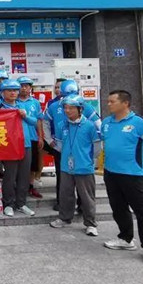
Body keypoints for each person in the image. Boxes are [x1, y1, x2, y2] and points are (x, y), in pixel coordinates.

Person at [101, 90, 143, 266]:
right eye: (108, 101)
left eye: (112, 101)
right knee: (118, 208)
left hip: (134, 175)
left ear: (125, 103)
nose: (108, 104)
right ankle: (126, 239)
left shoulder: (140, 123)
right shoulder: (106, 123)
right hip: (111, 173)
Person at [44, 79, 101, 211]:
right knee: (62, 177)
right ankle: (62, 204)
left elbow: (98, 124)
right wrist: (49, 140)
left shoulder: (84, 106)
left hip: (81, 149)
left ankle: (82, 205)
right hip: (61, 148)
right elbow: (45, 122)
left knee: (82, 178)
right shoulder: (53, 107)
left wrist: (94, 150)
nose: (68, 109)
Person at [49, 95, 100, 236]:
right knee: (65, 194)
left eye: (71, 108)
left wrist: (87, 159)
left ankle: (90, 223)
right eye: (65, 108)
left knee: (87, 197)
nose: (67, 110)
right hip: (66, 166)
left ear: (80, 109)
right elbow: (59, 144)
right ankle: (65, 218)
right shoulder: (62, 125)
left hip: (84, 167)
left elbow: (97, 147)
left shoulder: (89, 126)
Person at [0, 80, 36, 217]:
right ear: (3, 93)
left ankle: (21, 203)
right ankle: (8, 204)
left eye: (15, 90)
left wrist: (25, 115)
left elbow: (34, 122)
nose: (13, 93)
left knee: (24, 176)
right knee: (10, 175)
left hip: (26, 144)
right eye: (9, 90)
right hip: (10, 146)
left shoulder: (22, 106)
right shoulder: (0, 109)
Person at [17, 76, 45, 199]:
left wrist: (40, 137)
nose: (24, 88)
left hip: (33, 137)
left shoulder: (35, 103)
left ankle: (31, 186)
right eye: (21, 86)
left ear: (30, 88)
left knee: (33, 165)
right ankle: (19, 187)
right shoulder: (14, 102)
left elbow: (39, 120)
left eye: (26, 86)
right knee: (18, 164)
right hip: (18, 138)